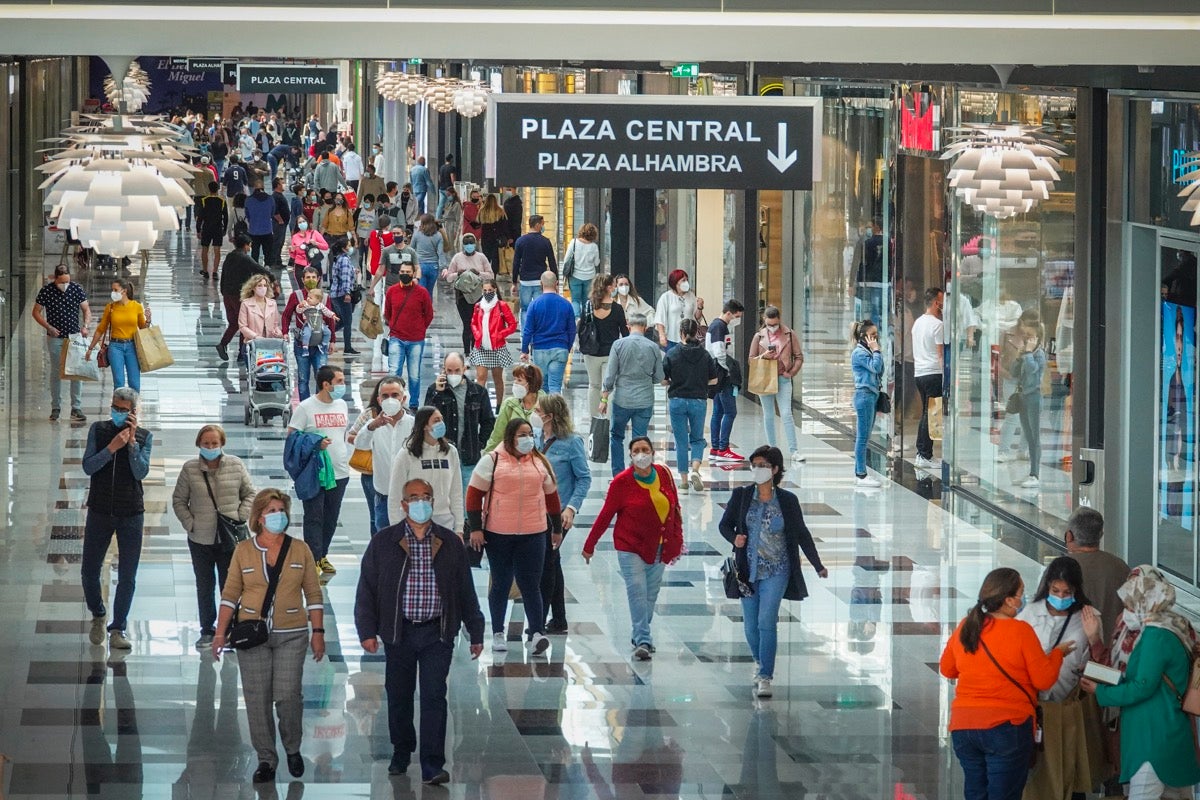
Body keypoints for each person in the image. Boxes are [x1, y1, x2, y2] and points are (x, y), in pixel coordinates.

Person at [355, 477, 485, 785]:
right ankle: (402, 750)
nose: (421, 502)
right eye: (414, 497)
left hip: (436, 633)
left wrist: (476, 630)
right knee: (398, 695)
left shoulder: (450, 542)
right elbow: (367, 589)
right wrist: (366, 630)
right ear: (403, 505)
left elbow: (466, 590)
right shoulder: (384, 541)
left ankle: (432, 763)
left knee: (434, 696)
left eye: (426, 496)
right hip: (399, 632)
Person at [211, 488, 325, 784]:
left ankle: (293, 747)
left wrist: (318, 632)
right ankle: (266, 758)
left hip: (292, 633)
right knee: (257, 698)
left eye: (281, 510)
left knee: (288, 696)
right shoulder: (243, 551)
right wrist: (220, 633)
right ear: (259, 518)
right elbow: (229, 594)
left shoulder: (300, 549)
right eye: (271, 511)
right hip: (253, 634)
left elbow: (313, 593)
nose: (278, 516)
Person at [939, 567, 1074, 800]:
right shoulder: (1020, 631)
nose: (1023, 599)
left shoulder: (966, 626)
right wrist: (1057, 654)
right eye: (1021, 593)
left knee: (974, 792)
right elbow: (1044, 679)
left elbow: (947, 669)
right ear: (1009, 600)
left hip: (964, 726)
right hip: (1006, 726)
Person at [1083, 565, 1200, 799]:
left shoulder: (1156, 635)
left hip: (1153, 730)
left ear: (1146, 600)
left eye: (1131, 599)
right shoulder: (1171, 627)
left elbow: (1142, 685)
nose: (1127, 606)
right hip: (1164, 727)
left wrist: (1100, 691)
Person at [719, 446, 827, 697]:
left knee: (767, 620)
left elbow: (801, 533)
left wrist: (817, 564)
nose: (757, 470)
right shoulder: (743, 496)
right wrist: (734, 538)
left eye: (763, 465)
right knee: (750, 626)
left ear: (775, 469)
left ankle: (765, 674)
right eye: (754, 465)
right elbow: (724, 525)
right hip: (747, 570)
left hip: (778, 569)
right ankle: (760, 659)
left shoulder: (788, 501)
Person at [466, 418, 563, 657]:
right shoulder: (492, 460)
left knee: (531, 584)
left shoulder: (539, 462)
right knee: (501, 582)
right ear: (510, 436)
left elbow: (552, 497)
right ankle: (498, 631)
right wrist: (476, 527)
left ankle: (537, 633)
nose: (527, 438)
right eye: (522, 434)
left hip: (534, 533)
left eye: (530, 433)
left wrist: (557, 528)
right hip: (499, 533)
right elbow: (473, 495)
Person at [582, 436, 683, 661]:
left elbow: (675, 507)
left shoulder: (664, 474)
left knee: (651, 595)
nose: (641, 454)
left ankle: (639, 632)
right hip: (630, 546)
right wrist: (590, 545)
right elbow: (605, 515)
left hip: (660, 545)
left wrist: (677, 538)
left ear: (653, 452)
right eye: (636, 450)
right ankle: (643, 640)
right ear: (630, 455)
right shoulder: (622, 482)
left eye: (645, 449)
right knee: (637, 592)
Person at [1016, 556, 1107, 800]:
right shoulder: (1028, 615)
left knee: (1070, 766)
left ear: (1076, 590)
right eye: (1055, 590)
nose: (1060, 596)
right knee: (1037, 770)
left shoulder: (1088, 617)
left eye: (1067, 591)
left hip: (1069, 706)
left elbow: (1101, 666)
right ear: (1047, 587)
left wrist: (1094, 639)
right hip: (1033, 705)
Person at [171, 424, 255, 649]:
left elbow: (250, 493)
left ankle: (228, 629)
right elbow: (179, 500)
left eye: (214, 443)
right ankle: (207, 629)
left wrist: (240, 516)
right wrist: (191, 524)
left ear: (222, 444)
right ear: (199, 444)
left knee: (230, 585)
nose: (210, 447)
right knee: (204, 584)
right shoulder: (190, 469)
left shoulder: (236, 465)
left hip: (229, 537)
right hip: (201, 539)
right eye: (206, 443)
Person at [82, 387, 153, 651]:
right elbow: (88, 466)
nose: (118, 413)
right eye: (115, 407)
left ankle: (118, 627)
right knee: (89, 571)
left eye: (124, 410)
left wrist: (132, 444)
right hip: (99, 510)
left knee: (127, 575)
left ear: (133, 412)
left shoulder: (145, 437)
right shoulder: (98, 430)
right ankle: (98, 613)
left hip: (131, 513)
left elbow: (140, 473)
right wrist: (112, 448)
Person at [534, 395, 590, 634]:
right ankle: (559, 619)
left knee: (546, 564)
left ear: (550, 415)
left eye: (539, 411)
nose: (535, 414)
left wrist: (572, 507)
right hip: (535, 511)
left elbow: (584, 477)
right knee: (552, 563)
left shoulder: (571, 442)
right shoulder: (535, 439)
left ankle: (540, 620)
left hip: (559, 513)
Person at [287, 365, 350, 576]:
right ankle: (311, 559)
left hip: (340, 472)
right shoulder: (306, 408)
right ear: (326, 384)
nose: (343, 385)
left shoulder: (341, 405)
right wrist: (315, 443)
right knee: (314, 517)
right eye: (339, 381)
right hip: (315, 473)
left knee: (331, 517)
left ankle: (322, 555)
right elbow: (292, 438)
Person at [601, 312, 664, 475]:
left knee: (616, 436)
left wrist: (604, 398)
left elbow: (610, 375)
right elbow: (659, 377)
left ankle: (618, 475)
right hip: (645, 400)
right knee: (640, 440)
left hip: (622, 399)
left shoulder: (618, 345)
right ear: (646, 327)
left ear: (628, 326)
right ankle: (638, 472)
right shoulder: (653, 347)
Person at [350, 377, 414, 534]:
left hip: (409, 497)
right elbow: (360, 444)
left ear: (403, 398)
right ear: (379, 400)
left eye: (395, 395)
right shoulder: (372, 425)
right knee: (383, 540)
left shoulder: (414, 424)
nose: (390, 399)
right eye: (385, 396)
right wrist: (372, 426)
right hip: (383, 495)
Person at [425, 352, 495, 493]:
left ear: (464, 369)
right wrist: (438, 395)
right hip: (442, 456)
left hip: (468, 457)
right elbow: (426, 420)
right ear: (443, 370)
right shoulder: (434, 390)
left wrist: (479, 443)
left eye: (457, 370)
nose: (453, 374)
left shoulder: (478, 392)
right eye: (449, 370)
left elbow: (488, 421)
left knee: (466, 502)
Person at [388, 406, 465, 535]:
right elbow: (395, 495)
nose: (441, 423)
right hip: (414, 521)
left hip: (445, 520)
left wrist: (459, 528)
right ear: (424, 426)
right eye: (436, 420)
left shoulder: (450, 452)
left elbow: (456, 492)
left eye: (441, 419)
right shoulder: (406, 454)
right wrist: (396, 529)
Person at [663, 318, 719, 493]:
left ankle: (684, 480)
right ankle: (695, 469)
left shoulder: (672, 354)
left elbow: (664, 379)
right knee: (697, 439)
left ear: (681, 332)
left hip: (677, 401)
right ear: (697, 332)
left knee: (680, 441)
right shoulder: (705, 355)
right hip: (698, 401)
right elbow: (714, 379)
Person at [33, 263, 91, 422]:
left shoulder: (76, 289)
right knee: (57, 372)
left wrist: (85, 326)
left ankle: (76, 407)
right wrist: (48, 327)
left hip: (74, 337)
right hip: (55, 338)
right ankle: (56, 407)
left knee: (76, 372)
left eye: (67, 281)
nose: (65, 285)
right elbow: (36, 312)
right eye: (62, 282)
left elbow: (86, 309)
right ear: (55, 279)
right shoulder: (46, 291)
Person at [748, 305, 806, 464]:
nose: (772, 328)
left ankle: (794, 450)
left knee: (786, 414)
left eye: (775, 324)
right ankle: (772, 450)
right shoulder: (758, 337)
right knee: (768, 415)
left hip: (783, 378)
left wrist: (791, 372)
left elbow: (799, 356)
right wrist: (765, 356)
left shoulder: (789, 334)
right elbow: (751, 360)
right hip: (765, 378)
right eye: (769, 324)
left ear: (779, 320)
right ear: (764, 321)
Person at [1064, 507, 1130, 644]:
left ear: (1069, 536)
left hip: (1073, 653)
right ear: (1101, 535)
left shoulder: (1061, 568)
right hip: (1114, 654)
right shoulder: (1121, 567)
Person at [282, 268, 338, 400]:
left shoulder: (324, 298)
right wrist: (285, 332)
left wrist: (332, 341)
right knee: (303, 379)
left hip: (320, 345)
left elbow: (330, 320)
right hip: (302, 344)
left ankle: (319, 404)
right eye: (308, 277)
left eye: (313, 277)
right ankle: (304, 407)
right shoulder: (296, 296)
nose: (311, 280)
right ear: (302, 280)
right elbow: (286, 315)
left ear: (318, 279)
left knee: (322, 377)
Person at [385, 260, 435, 409]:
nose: (405, 274)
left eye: (408, 272)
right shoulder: (392, 291)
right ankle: (393, 401)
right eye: (402, 272)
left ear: (413, 274)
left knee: (414, 374)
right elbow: (387, 313)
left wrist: (420, 329)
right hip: (396, 338)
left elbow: (429, 314)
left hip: (416, 340)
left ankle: (413, 403)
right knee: (394, 372)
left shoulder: (422, 292)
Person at [578, 274, 628, 421]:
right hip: (611, 353)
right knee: (609, 388)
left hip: (591, 352)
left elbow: (581, 328)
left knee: (593, 385)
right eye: (613, 285)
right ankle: (608, 418)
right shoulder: (617, 309)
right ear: (608, 287)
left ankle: (594, 418)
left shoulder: (588, 306)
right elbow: (624, 334)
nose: (614, 288)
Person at [86, 279, 150, 392]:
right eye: (113, 290)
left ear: (124, 291)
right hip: (115, 347)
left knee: (134, 383)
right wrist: (90, 348)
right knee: (119, 382)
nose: (113, 293)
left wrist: (148, 320)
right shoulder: (110, 307)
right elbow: (101, 329)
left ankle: (133, 408)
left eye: (115, 290)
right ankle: (118, 409)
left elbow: (143, 328)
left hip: (132, 347)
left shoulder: (136, 307)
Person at [215, 235, 270, 362]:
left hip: (227, 294)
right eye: (249, 245)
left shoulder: (230, 256)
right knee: (244, 323)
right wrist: (271, 278)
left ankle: (223, 344)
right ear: (245, 245)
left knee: (234, 323)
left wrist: (223, 291)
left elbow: (223, 274)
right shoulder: (244, 258)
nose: (250, 247)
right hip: (238, 295)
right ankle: (242, 352)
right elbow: (259, 269)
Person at [521, 271, 576, 394]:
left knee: (542, 387)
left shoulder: (534, 304)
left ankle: (543, 412)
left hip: (540, 350)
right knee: (555, 386)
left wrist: (524, 350)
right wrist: (567, 346)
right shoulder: (566, 304)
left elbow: (528, 330)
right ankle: (555, 412)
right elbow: (572, 330)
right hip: (560, 348)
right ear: (556, 283)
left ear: (541, 284)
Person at [1011, 310, 1047, 489]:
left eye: (1029, 335)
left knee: (1035, 437)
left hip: (1034, 398)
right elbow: (1014, 373)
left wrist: (1027, 354)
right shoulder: (1026, 352)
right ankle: (1031, 472)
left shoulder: (1039, 354)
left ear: (1036, 336)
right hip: (1023, 398)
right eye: (1024, 334)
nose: (1026, 338)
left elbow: (1033, 376)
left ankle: (1035, 473)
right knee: (1028, 435)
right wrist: (1019, 358)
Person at [706, 299, 745, 462]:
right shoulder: (719, 327)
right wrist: (729, 370)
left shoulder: (718, 325)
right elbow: (719, 352)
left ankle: (716, 448)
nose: (738, 319)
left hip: (717, 373)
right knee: (730, 412)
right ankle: (723, 448)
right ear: (728, 313)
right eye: (736, 316)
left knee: (718, 411)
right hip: (722, 375)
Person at [470, 278, 518, 406]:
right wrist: (477, 334)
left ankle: (498, 405)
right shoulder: (478, 306)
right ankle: (479, 406)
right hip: (481, 346)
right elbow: (473, 323)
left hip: (497, 347)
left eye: (490, 290)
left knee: (498, 379)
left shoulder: (501, 306)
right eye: (485, 290)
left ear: (495, 290)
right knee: (480, 377)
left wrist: (500, 334)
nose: (487, 292)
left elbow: (513, 324)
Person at [443, 232, 493, 354]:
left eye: (471, 243)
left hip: (478, 295)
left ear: (475, 244)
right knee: (467, 324)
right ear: (463, 245)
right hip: (462, 296)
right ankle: (467, 352)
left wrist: (479, 273)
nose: (469, 246)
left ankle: (476, 349)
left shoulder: (481, 257)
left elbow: (491, 275)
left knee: (477, 323)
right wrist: (458, 274)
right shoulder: (457, 257)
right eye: (466, 243)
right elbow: (449, 277)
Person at [912, 287, 945, 470]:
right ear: (935, 303)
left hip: (920, 373)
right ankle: (924, 453)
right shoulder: (937, 325)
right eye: (941, 302)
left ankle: (924, 453)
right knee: (931, 414)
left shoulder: (918, 323)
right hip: (933, 373)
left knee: (927, 412)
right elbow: (940, 354)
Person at [850, 319, 885, 488]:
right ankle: (861, 474)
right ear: (864, 337)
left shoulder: (868, 350)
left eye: (876, 336)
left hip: (872, 395)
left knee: (866, 436)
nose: (875, 339)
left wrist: (876, 351)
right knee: (862, 438)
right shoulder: (859, 353)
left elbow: (881, 369)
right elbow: (876, 367)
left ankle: (861, 471)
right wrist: (876, 351)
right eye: (872, 336)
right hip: (864, 396)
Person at [486, 363, 545, 452]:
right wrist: (487, 455)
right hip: (513, 455)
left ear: (531, 383)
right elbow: (497, 435)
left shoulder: (545, 405)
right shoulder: (509, 404)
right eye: (515, 379)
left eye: (519, 380)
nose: (515, 383)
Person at [513, 215, 557, 314]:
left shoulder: (520, 241)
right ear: (537, 225)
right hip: (540, 280)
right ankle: (539, 328)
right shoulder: (545, 241)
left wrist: (514, 281)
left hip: (525, 281)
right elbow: (552, 262)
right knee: (540, 309)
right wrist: (555, 281)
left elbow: (516, 262)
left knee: (525, 309)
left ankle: (525, 329)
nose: (543, 226)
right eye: (542, 224)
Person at [654, 269, 705, 352]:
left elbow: (696, 318)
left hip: (689, 338)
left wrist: (700, 307)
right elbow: (660, 318)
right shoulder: (666, 297)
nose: (686, 283)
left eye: (687, 280)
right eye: (683, 280)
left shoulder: (691, 296)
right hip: (671, 338)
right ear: (675, 282)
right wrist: (662, 335)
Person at [327, 239, 360, 356]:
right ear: (344, 248)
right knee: (347, 322)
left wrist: (353, 271)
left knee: (342, 321)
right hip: (342, 294)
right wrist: (347, 293)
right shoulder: (345, 260)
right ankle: (347, 347)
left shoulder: (338, 258)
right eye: (349, 245)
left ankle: (326, 335)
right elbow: (345, 278)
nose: (351, 247)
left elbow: (342, 273)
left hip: (336, 293)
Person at [563, 223, 601, 317]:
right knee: (587, 301)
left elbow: (566, 259)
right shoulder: (594, 247)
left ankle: (577, 319)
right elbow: (596, 263)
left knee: (575, 300)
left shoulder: (574, 242)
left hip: (575, 275)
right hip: (589, 277)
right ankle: (586, 320)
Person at [194, 181, 228, 282]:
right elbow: (225, 217)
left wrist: (198, 229)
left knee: (205, 249)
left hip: (207, 228)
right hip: (217, 228)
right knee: (217, 250)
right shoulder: (222, 201)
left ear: (209, 189)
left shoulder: (204, 201)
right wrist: (225, 229)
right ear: (217, 189)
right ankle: (215, 272)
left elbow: (200, 216)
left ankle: (205, 271)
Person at [411, 214, 447, 298]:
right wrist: (444, 267)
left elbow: (411, 249)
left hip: (420, 266)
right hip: (433, 266)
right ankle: (428, 309)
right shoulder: (438, 235)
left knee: (421, 291)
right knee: (429, 292)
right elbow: (440, 253)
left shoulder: (417, 234)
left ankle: (421, 310)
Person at [238, 274, 282, 343]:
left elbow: (276, 324)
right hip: (252, 343)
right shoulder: (246, 304)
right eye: (259, 285)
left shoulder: (272, 303)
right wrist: (255, 337)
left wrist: (278, 333)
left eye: (265, 285)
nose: (263, 288)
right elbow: (242, 326)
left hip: (270, 343)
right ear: (253, 288)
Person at [288, 216, 328, 286]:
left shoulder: (314, 233)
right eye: (300, 222)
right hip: (300, 265)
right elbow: (293, 256)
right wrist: (291, 250)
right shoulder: (295, 237)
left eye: (304, 221)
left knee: (314, 289)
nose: (302, 223)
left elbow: (325, 246)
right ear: (297, 225)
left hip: (314, 263)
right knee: (302, 288)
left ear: (307, 222)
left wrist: (316, 243)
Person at [244, 182, 276, 265]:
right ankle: (267, 267)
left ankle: (255, 269)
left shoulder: (248, 200)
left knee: (254, 252)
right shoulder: (270, 199)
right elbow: (272, 213)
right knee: (267, 252)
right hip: (267, 230)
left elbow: (247, 215)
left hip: (253, 230)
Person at [478, 193, 508, 272]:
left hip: (485, 237)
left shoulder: (482, 211)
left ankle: (486, 273)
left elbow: (478, 222)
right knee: (495, 258)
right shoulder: (500, 211)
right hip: (496, 238)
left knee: (486, 257)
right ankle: (494, 275)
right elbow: (504, 226)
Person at [439, 188, 463, 253]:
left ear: (453, 194)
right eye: (447, 195)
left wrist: (456, 231)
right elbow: (446, 216)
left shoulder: (457, 205)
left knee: (452, 245)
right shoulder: (449, 203)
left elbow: (458, 219)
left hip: (453, 226)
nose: (448, 196)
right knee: (448, 244)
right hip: (447, 225)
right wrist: (439, 221)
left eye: (449, 195)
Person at [435, 154, 456, 219]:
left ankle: (438, 218)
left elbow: (439, 178)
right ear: (451, 159)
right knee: (451, 203)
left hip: (441, 188)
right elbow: (452, 178)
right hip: (449, 189)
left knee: (441, 204)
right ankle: (449, 217)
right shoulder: (451, 168)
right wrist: (454, 186)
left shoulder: (442, 167)